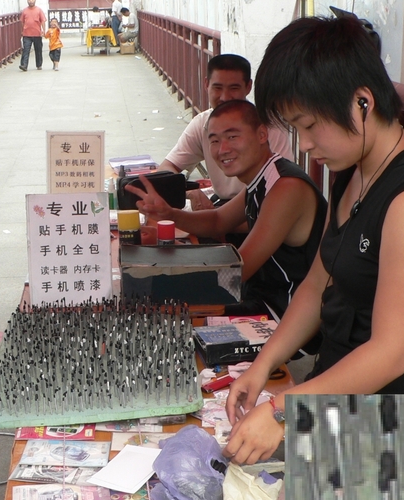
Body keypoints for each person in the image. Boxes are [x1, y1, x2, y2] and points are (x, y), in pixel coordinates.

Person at [224, 16, 404, 464]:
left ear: (362, 101)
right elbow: (317, 286)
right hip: (333, 402)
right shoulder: (353, 172)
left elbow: (392, 353)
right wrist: (262, 366)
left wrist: (281, 411)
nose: (305, 144)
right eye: (295, 128)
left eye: (311, 125)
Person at [126, 100, 326, 332]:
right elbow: (217, 220)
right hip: (257, 295)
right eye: (214, 140)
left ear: (262, 134)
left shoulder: (285, 187)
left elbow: (237, 271)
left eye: (232, 137)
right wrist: (169, 214)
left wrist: (151, 282)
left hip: (288, 314)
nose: (222, 149)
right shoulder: (263, 177)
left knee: (166, 321)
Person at [158, 54, 294, 210]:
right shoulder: (201, 123)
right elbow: (166, 169)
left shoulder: (271, 127)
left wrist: (213, 220)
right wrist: (187, 191)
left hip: (261, 209)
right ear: (206, 84)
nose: (224, 97)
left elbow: (281, 192)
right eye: (217, 88)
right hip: (226, 210)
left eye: (234, 88)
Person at [19, 0, 46, 71]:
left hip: (37, 34)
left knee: (38, 50)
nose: (31, 1)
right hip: (26, 34)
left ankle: (39, 64)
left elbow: (43, 21)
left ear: (35, 0)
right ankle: (24, 65)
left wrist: (43, 31)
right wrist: (22, 30)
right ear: (27, 0)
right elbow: (22, 21)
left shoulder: (39, 10)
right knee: (26, 50)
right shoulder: (24, 11)